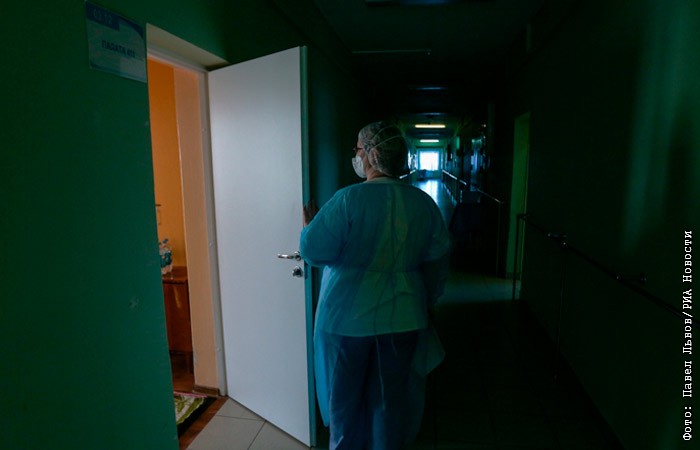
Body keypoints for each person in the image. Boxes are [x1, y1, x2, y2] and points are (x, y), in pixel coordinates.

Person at [300, 121, 452, 449]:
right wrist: (427, 299)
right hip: (404, 317)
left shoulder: (348, 199)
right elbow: (438, 260)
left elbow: (313, 251)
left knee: (344, 402)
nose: (355, 155)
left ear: (370, 154)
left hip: (346, 319)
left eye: (358, 148)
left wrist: (310, 226)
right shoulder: (422, 203)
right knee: (389, 401)